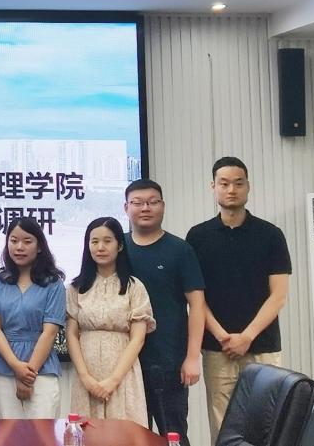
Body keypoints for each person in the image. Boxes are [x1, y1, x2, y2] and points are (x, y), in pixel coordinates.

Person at [185, 157, 292, 439]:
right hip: (216, 348)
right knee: (222, 426)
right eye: (224, 183)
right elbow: (196, 298)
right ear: (213, 187)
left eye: (238, 183)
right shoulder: (198, 236)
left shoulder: (270, 235)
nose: (231, 190)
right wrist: (223, 337)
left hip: (263, 345)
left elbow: (279, 295)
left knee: (267, 423)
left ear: (248, 186)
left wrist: (247, 337)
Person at [124, 179, 205, 445]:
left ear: (163, 206)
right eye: (137, 203)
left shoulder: (180, 250)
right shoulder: (117, 248)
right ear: (126, 208)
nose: (145, 208)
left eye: (152, 202)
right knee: (131, 438)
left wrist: (192, 357)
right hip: (125, 363)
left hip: (169, 361)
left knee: (173, 435)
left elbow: (197, 305)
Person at [66, 217, 155, 427]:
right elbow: (71, 334)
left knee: (125, 432)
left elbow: (138, 339)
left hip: (123, 374)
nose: (100, 247)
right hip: (86, 374)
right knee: (86, 433)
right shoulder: (76, 288)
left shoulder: (134, 287)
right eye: (94, 241)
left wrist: (113, 380)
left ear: (120, 245)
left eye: (107, 241)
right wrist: (85, 378)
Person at [0, 217, 66, 419]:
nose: (19, 247)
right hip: (5, 368)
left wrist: (27, 374)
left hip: (42, 370)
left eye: (27, 241)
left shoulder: (53, 283)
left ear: (39, 246)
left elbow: (50, 332)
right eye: (14, 241)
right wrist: (15, 366)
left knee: (42, 432)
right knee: (8, 432)